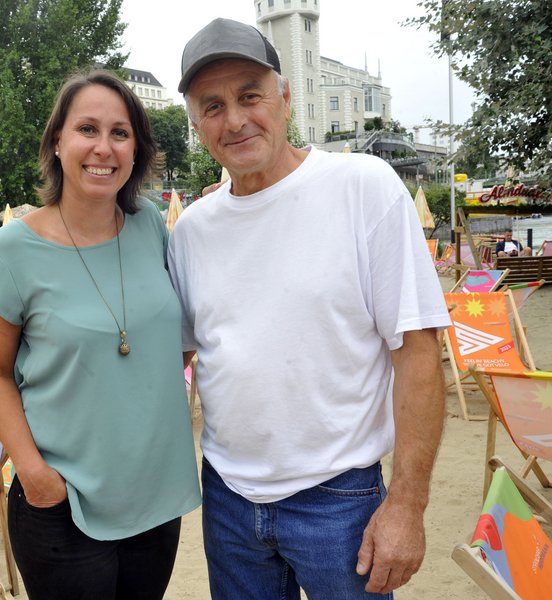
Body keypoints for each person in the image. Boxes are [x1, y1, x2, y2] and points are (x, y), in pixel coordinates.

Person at [167, 18, 451, 599]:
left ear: (286, 98)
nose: (236, 119)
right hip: (227, 499)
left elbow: (419, 354)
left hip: (339, 499)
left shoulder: (363, 187)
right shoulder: (192, 229)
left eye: (251, 95)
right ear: (196, 125)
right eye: (213, 105)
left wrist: (406, 505)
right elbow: (178, 360)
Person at [0, 69, 200, 599]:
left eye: (120, 133)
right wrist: (34, 473)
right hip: (64, 503)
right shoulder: (11, 251)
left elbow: (173, 340)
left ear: (137, 149)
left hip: (154, 496)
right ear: (58, 140)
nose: (104, 147)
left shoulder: (150, 229)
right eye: (87, 129)